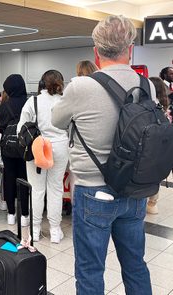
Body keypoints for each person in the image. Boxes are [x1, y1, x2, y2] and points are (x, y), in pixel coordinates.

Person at [52, 15, 154, 295]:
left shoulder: (81, 86)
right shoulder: (147, 86)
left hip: (93, 192)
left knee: (90, 271)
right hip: (135, 191)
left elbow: (56, 121)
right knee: (135, 265)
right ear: (130, 49)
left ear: (96, 52)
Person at [17, 70, 68, 243]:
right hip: (61, 147)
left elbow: (20, 129)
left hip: (38, 147)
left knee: (37, 190)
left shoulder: (34, 101)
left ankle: (35, 229)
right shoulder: (65, 101)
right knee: (56, 189)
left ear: (42, 83)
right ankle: (55, 230)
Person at [0, 74, 28, 225]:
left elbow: (1, 127)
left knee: (9, 177)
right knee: (24, 178)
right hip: (25, 146)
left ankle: (11, 214)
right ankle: (25, 215)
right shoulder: (29, 103)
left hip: (7, 146)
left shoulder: (4, 106)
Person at [146, 77, 171, 215]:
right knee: (156, 176)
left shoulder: (146, 105)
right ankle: (152, 202)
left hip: (147, 146)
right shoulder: (164, 108)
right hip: (161, 147)